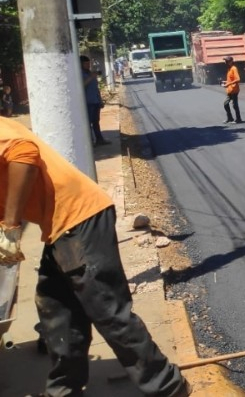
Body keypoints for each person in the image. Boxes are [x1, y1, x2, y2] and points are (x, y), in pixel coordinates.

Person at [0, 117, 191, 396]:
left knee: (106, 307)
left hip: (78, 216)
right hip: (60, 227)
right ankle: (64, 390)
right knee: (58, 308)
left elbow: (23, 153)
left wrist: (10, 227)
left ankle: (168, 387)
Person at [80, 55, 109, 146]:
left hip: (95, 101)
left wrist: (100, 100)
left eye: (89, 63)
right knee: (88, 122)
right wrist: (91, 77)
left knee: (96, 121)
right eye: (86, 64)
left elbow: (96, 88)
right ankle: (90, 142)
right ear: (81, 64)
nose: (88, 65)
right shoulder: (80, 74)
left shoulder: (90, 73)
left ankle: (99, 139)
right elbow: (81, 86)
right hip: (88, 103)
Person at [221, 56, 243, 124]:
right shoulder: (229, 69)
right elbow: (231, 79)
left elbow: (238, 79)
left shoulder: (234, 68)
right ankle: (230, 118)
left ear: (231, 61)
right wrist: (225, 82)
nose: (225, 62)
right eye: (225, 61)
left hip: (234, 90)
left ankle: (238, 119)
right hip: (230, 90)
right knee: (225, 103)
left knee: (234, 105)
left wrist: (228, 84)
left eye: (227, 61)